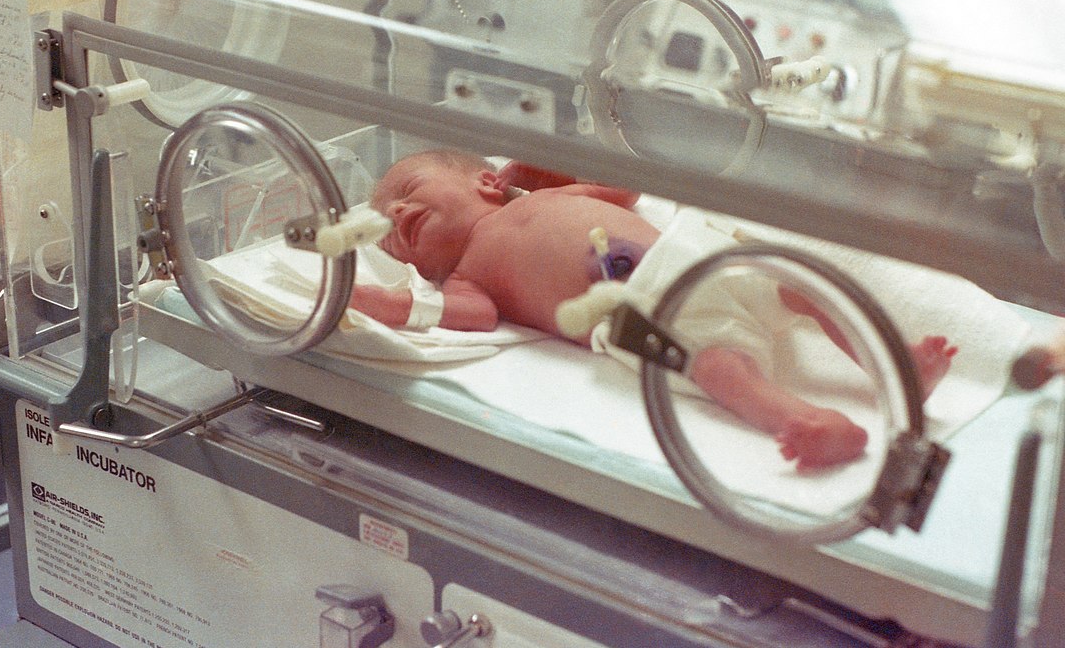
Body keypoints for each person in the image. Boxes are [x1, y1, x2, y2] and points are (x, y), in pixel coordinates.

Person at [349, 149, 957, 471]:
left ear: (486, 182)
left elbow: (624, 189)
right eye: (389, 235)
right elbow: (471, 316)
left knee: (806, 287)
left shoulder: (552, 197)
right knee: (720, 370)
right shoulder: (469, 275)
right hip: (643, 314)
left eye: (406, 195)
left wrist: (547, 166)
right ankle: (804, 419)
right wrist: (382, 303)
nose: (398, 219)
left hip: (693, 254)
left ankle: (891, 364)